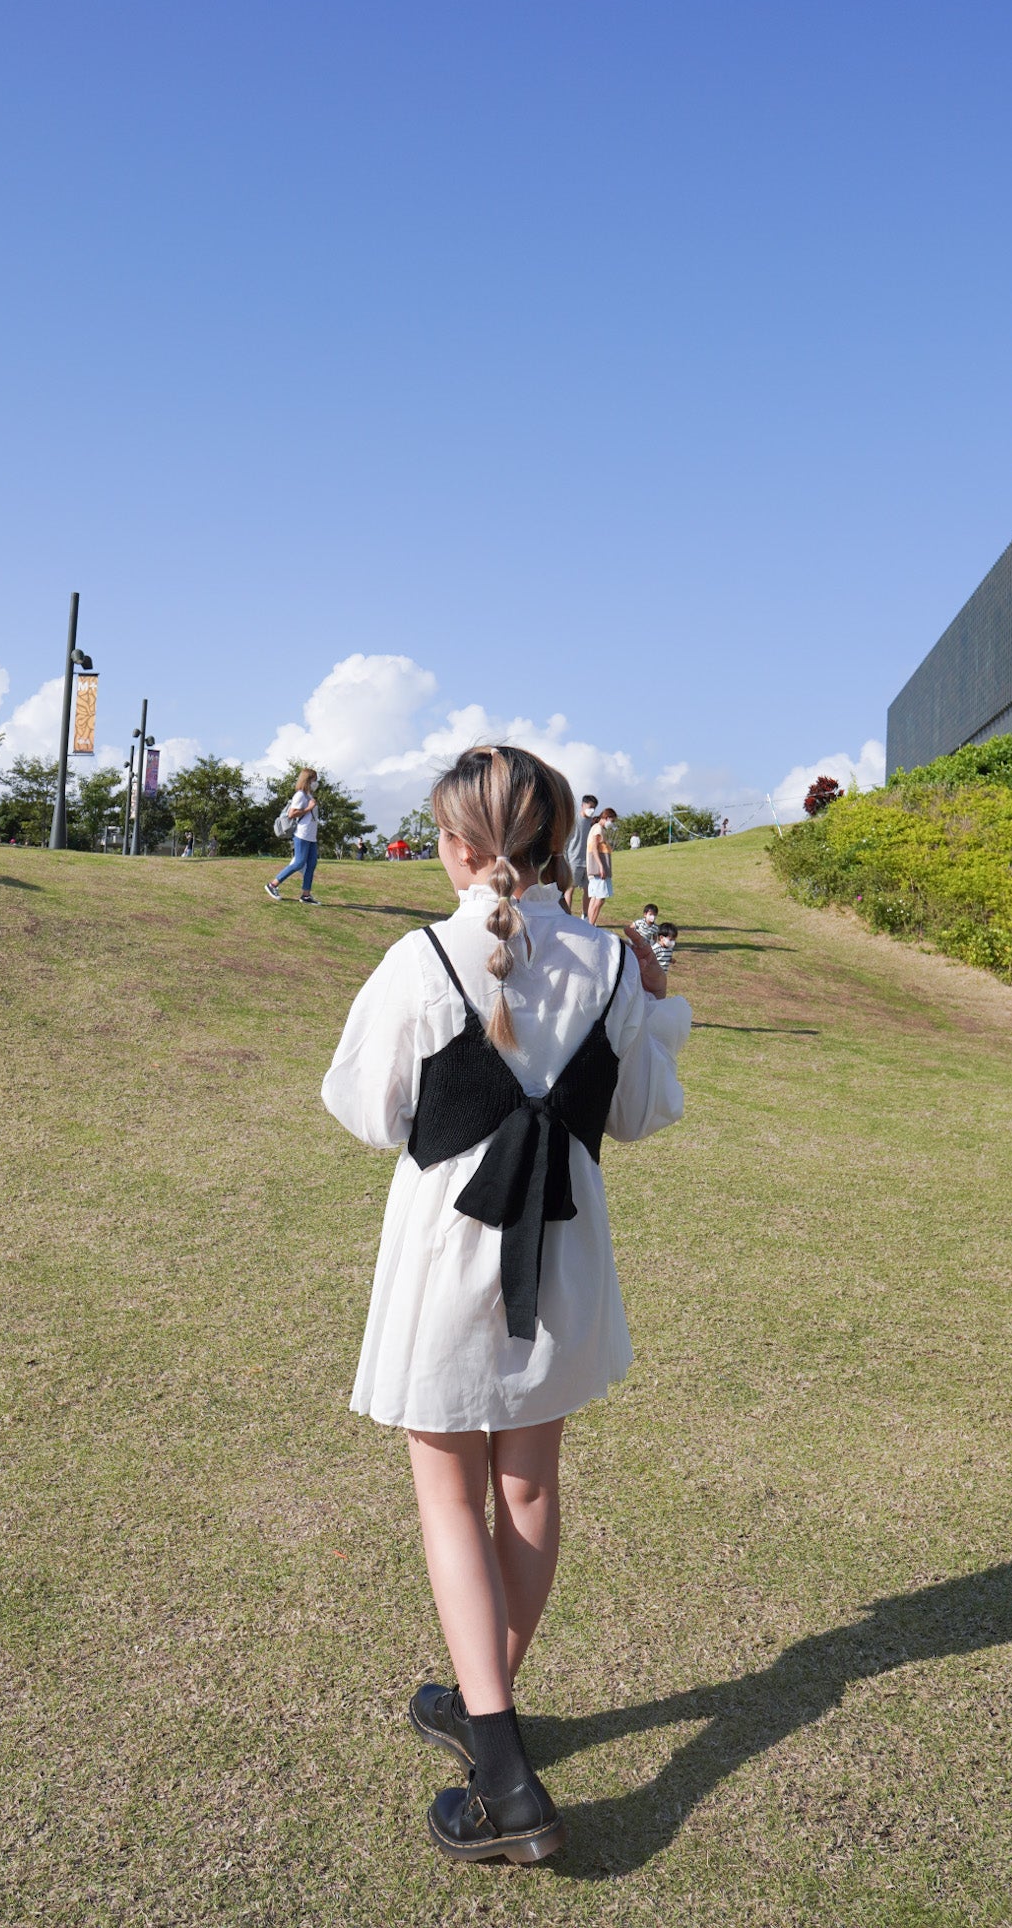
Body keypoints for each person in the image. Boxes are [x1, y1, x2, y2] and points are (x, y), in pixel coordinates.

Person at [322, 745, 691, 1866]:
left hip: (448, 1251)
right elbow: (638, 1113)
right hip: (565, 1246)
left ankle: (500, 1765)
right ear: (551, 840)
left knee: (450, 1496)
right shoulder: (615, 960)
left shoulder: (419, 957)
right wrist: (659, 1006)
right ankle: (488, 1709)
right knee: (529, 1487)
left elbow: (367, 1108)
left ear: (461, 845)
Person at [263, 768, 321, 904]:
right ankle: (273, 885)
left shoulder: (309, 796)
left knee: (312, 864)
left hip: (311, 836)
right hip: (302, 834)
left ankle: (306, 895)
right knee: (298, 863)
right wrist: (308, 808)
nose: (316, 783)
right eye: (314, 780)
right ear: (308, 780)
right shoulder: (300, 795)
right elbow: (291, 814)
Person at [563, 795, 598, 915]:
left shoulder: (593, 822)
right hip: (574, 860)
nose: (591, 810)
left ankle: (585, 915)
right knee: (569, 889)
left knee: (588, 890)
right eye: (590, 807)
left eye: (594, 808)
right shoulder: (574, 820)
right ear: (583, 805)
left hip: (588, 862)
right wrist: (566, 859)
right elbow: (566, 841)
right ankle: (567, 915)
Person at [585, 807, 616, 925]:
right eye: (612, 821)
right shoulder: (598, 828)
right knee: (600, 898)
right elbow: (594, 848)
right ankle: (591, 925)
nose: (611, 824)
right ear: (607, 818)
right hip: (598, 870)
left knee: (595, 897)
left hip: (596, 870)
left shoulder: (598, 828)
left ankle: (589, 924)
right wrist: (601, 866)